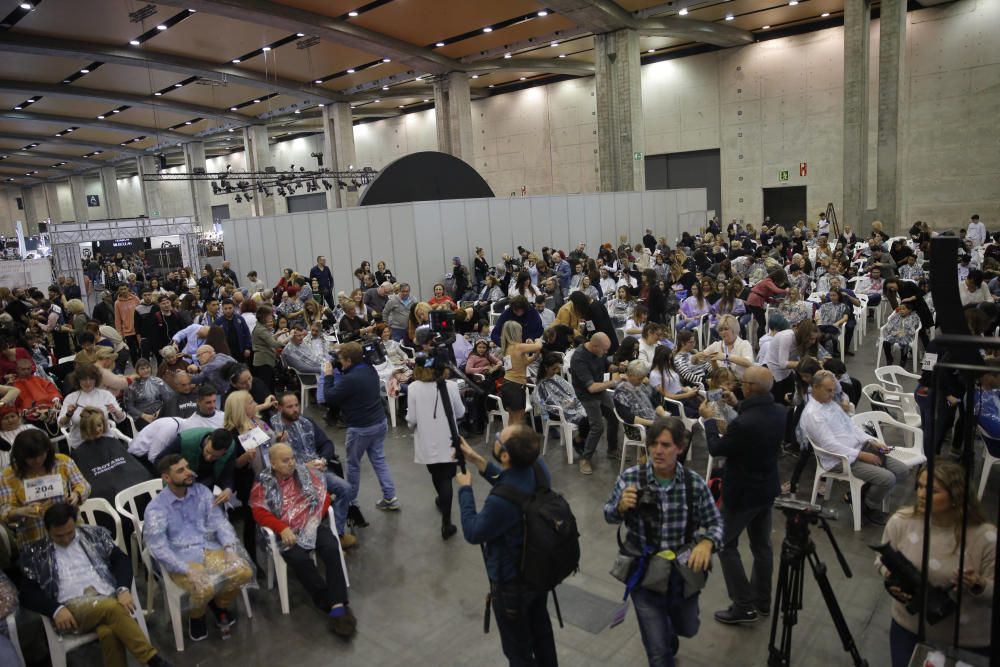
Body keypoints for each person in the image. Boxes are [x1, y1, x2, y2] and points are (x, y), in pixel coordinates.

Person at [603, 417, 723, 667]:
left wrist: (707, 543)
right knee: (658, 653)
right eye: (654, 444)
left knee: (687, 626)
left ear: (680, 448)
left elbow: (716, 522)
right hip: (644, 572)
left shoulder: (694, 484)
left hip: (682, 572)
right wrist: (620, 507)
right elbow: (608, 514)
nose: (658, 450)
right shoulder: (631, 478)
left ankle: (670, 634)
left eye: (666, 445)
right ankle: (663, 643)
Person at [17, 503, 172, 667]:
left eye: (70, 532)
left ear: (75, 524)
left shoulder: (93, 535)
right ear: (48, 531)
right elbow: (26, 594)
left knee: (108, 631)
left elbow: (122, 561)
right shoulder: (37, 553)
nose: (65, 539)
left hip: (106, 594)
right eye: (59, 535)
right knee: (112, 608)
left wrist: (123, 588)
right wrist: (55, 609)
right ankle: (152, 660)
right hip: (72, 606)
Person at [455, 425, 558, 667]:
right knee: (542, 634)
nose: (497, 435)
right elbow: (511, 484)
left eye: (500, 436)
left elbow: (473, 531)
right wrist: (477, 461)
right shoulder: (538, 468)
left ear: (505, 456)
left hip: (511, 583)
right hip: (538, 571)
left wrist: (465, 490)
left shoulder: (501, 503)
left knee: (518, 651)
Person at [875, 460, 994, 667]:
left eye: (933, 491)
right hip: (909, 630)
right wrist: (891, 579)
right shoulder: (901, 522)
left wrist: (978, 584)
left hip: (966, 640)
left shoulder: (986, 538)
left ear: (956, 496)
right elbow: (881, 561)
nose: (921, 495)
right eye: (920, 487)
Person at [700, 366, 784, 624]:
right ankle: (762, 600)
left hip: (742, 493)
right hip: (767, 488)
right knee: (762, 547)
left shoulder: (744, 424)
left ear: (748, 387)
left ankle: (743, 605)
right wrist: (737, 403)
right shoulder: (780, 412)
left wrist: (710, 420)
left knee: (724, 543)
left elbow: (716, 448)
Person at [143, 454, 254, 641]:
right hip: (180, 556)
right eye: (181, 470)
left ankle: (220, 605)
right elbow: (159, 547)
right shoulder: (156, 508)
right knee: (203, 586)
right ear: (166, 478)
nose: (189, 473)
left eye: (187, 467)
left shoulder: (201, 492)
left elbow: (219, 523)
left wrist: (229, 549)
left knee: (243, 572)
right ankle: (197, 616)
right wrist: (185, 569)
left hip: (208, 547)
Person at [250, 443, 356, 637]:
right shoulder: (263, 482)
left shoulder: (303, 473)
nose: (291, 463)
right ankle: (330, 601)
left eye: (292, 458)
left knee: (331, 547)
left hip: (311, 525)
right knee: (299, 559)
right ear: (273, 463)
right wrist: (282, 528)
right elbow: (259, 511)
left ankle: (338, 604)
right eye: (285, 460)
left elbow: (324, 497)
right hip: (286, 532)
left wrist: (314, 520)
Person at [799, 371, 909, 525]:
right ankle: (867, 506)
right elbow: (829, 445)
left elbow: (853, 427)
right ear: (815, 388)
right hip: (840, 459)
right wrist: (861, 455)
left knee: (902, 470)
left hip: (859, 449)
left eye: (832, 390)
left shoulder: (830, 405)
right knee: (888, 478)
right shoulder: (813, 414)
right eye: (828, 390)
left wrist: (872, 440)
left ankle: (857, 495)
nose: (833, 394)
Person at [322, 341, 398, 512]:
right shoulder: (368, 368)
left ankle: (351, 501)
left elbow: (329, 397)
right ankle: (390, 496)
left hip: (361, 429)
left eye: (341, 359)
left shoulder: (350, 379)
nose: (339, 361)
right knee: (379, 460)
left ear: (349, 360)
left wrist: (328, 375)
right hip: (379, 422)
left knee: (353, 465)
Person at [269, 393, 354, 545]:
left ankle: (337, 535)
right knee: (314, 498)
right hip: (293, 478)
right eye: (290, 407)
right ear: (280, 408)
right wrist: (301, 466)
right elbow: (275, 463)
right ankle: (315, 535)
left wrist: (323, 459)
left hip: (317, 469)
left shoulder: (306, 421)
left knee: (346, 489)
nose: (295, 409)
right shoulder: (273, 430)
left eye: (296, 405)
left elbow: (327, 444)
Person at [0, 429, 90, 547]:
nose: (37, 460)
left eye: (41, 454)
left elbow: (84, 485)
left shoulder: (62, 462)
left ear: (48, 450)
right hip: (34, 536)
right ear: (20, 456)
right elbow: (5, 510)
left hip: (70, 530)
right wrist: (20, 511)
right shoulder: (8, 474)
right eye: (31, 458)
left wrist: (77, 494)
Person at [405, 361, 464, 539]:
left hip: (427, 441)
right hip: (448, 440)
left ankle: (442, 501)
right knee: (447, 478)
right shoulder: (451, 386)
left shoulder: (414, 387)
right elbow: (460, 412)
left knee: (437, 475)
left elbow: (412, 419)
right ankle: (446, 522)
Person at [71, 407, 150, 503]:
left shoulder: (112, 442)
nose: (97, 430)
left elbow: (131, 465)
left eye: (99, 425)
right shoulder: (79, 453)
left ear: (104, 425)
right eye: (92, 427)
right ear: (85, 429)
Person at [570, 332, 621, 475]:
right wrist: (614, 382)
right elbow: (591, 388)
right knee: (597, 427)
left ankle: (612, 449)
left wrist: (618, 368)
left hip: (600, 389)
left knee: (613, 417)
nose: (606, 352)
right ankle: (585, 458)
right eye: (604, 350)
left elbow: (607, 366)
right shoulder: (579, 358)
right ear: (594, 346)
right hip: (586, 394)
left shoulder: (599, 351)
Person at [58, 363, 126, 450]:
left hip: (105, 442)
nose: (88, 382)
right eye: (84, 379)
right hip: (80, 445)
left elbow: (121, 418)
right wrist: (68, 414)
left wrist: (115, 411)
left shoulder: (105, 395)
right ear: (78, 380)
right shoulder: (71, 398)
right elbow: (61, 424)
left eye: (91, 378)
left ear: (96, 379)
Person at [497, 320, 542, 426]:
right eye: (520, 331)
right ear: (516, 333)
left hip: (508, 384)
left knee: (512, 418)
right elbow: (538, 346)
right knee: (518, 419)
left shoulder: (508, 348)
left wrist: (535, 353)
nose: (522, 333)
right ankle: (515, 441)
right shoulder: (518, 347)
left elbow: (526, 362)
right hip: (515, 386)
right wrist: (537, 340)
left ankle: (508, 441)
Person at [125, 358, 174, 431]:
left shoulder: (158, 382)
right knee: (152, 431)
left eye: (147, 367)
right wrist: (144, 416)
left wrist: (160, 411)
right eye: (142, 369)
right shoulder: (132, 386)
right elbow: (129, 406)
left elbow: (168, 399)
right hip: (142, 416)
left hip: (159, 412)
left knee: (170, 427)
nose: (146, 370)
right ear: (137, 371)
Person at [881, 302, 921, 367]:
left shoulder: (912, 318)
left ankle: (903, 359)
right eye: (900, 309)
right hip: (895, 334)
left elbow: (912, 331)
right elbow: (889, 325)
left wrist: (901, 333)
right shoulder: (897, 316)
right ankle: (889, 358)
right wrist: (893, 332)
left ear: (909, 310)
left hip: (907, 336)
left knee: (904, 342)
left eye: (903, 309)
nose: (901, 311)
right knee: (885, 342)